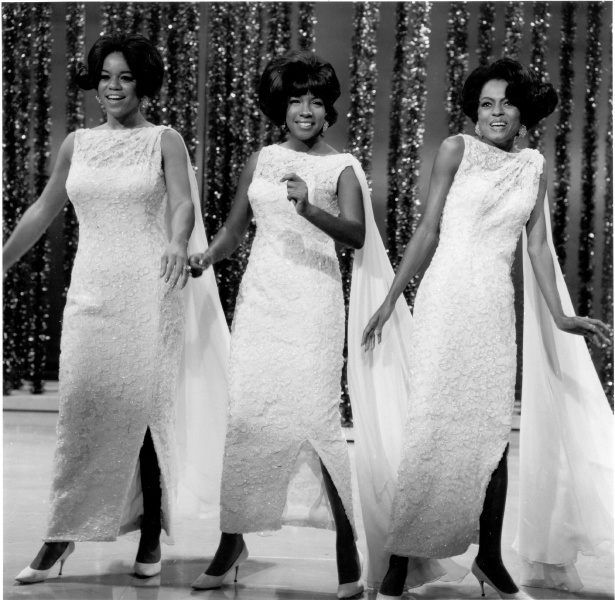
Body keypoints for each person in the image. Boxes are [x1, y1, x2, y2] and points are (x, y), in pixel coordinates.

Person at [357, 58, 612, 599]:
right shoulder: (456, 149)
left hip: (493, 310)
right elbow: (428, 229)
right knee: (430, 429)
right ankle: (401, 559)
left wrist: (562, 316)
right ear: (475, 112)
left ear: (522, 113)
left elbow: (537, 247)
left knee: (492, 435)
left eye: (507, 103)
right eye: (486, 104)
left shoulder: (533, 167)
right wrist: (391, 297)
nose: (496, 113)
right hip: (446, 303)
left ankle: (490, 560)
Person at [5, 32, 229, 584]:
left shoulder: (164, 140)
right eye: (105, 76)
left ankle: (150, 532)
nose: (113, 87)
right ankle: (61, 533)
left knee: (143, 412)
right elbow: (43, 208)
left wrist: (177, 241)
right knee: (80, 408)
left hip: (151, 288)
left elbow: (183, 202)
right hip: (91, 292)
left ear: (142, 84)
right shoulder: (77, 144)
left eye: (125, 77)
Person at [188, 50, 365, 598]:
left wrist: (310, 209)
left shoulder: (343, 167)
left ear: (328, 110)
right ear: (281, 108)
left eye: (315, 101)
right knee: (247, 418)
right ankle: (231, 542)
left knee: (318, 421)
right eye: (295, 100)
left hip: (313, 304)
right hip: (262, 302)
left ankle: (348, 550)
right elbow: (234, 229)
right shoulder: (262, 159)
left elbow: (357, 235)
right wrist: (207, 256)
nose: (305, 110)